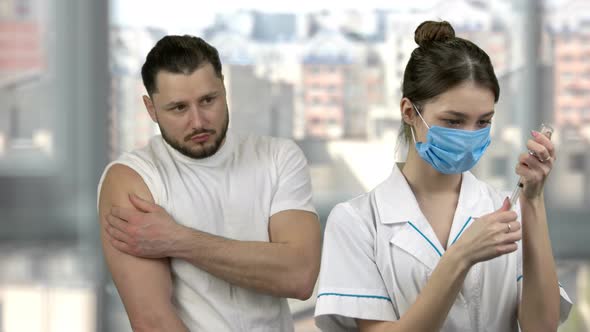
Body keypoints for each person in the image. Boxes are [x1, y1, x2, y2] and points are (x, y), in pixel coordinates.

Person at [314, 21, 572, 332]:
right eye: (453, 121)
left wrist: (533, 202)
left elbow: (541, 327)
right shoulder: (357, 222)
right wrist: (460, 257)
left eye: (483, 122)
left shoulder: (507, 208)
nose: (469, 135)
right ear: (409, 112)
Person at [97, 35, 321, 331]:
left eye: (208, 100)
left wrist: (177, 239)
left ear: (224, 89)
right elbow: (153, 322)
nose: (198, 121)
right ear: (151, 109)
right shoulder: (132, 179)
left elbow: (299, 276)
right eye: (178, 108)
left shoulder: (278, 157)